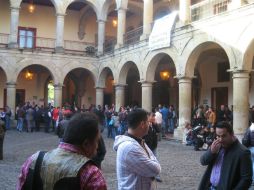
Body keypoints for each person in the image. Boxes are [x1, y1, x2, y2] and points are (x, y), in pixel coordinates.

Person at [17, 112, 107, 190]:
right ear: (86, 144)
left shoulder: (33, 160)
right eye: (96, 141)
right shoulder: (91, 173)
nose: (97, 147)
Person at [113, 108, 161, 190]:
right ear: (142, 124)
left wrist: (151, 159)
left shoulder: (139, 141)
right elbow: (155, 169)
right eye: (148, 122)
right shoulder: (130, 147)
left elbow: (152, 158)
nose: (149, 125)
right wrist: (152, 159)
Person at [198, 121, 252, 190]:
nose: (220, 139)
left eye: (224, 136)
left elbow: (246, 180)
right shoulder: (217, 145)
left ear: (232, 134)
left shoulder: (243, 152)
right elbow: (203, 161)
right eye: (218, 136)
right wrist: (211, 152)